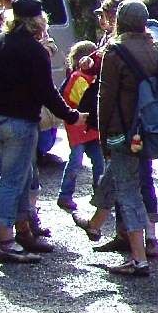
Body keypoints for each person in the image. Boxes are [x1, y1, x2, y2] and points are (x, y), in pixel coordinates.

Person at [0, 0, 84, 263]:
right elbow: (46, 91)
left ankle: (23, 231)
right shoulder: (34, 50)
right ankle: (5, 241)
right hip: (19, 122)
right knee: (12, 179)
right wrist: (70, 115)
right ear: (39, 20)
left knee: (23, 175)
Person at [72, 0, 158, 275]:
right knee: (118, 173)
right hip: (153, 127)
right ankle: (95, 223)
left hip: (124, 130)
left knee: (128, 188)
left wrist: (103, 137)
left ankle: (138, 259)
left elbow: (105, 97)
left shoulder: (115, 51)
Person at [56, 41, 106, 211]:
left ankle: (100, 194)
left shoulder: (88, 76)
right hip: (78, 126)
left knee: (99, 161)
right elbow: (80, 101)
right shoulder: (78, 77)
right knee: (75, 161)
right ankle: (65, 195)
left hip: (90, 127)